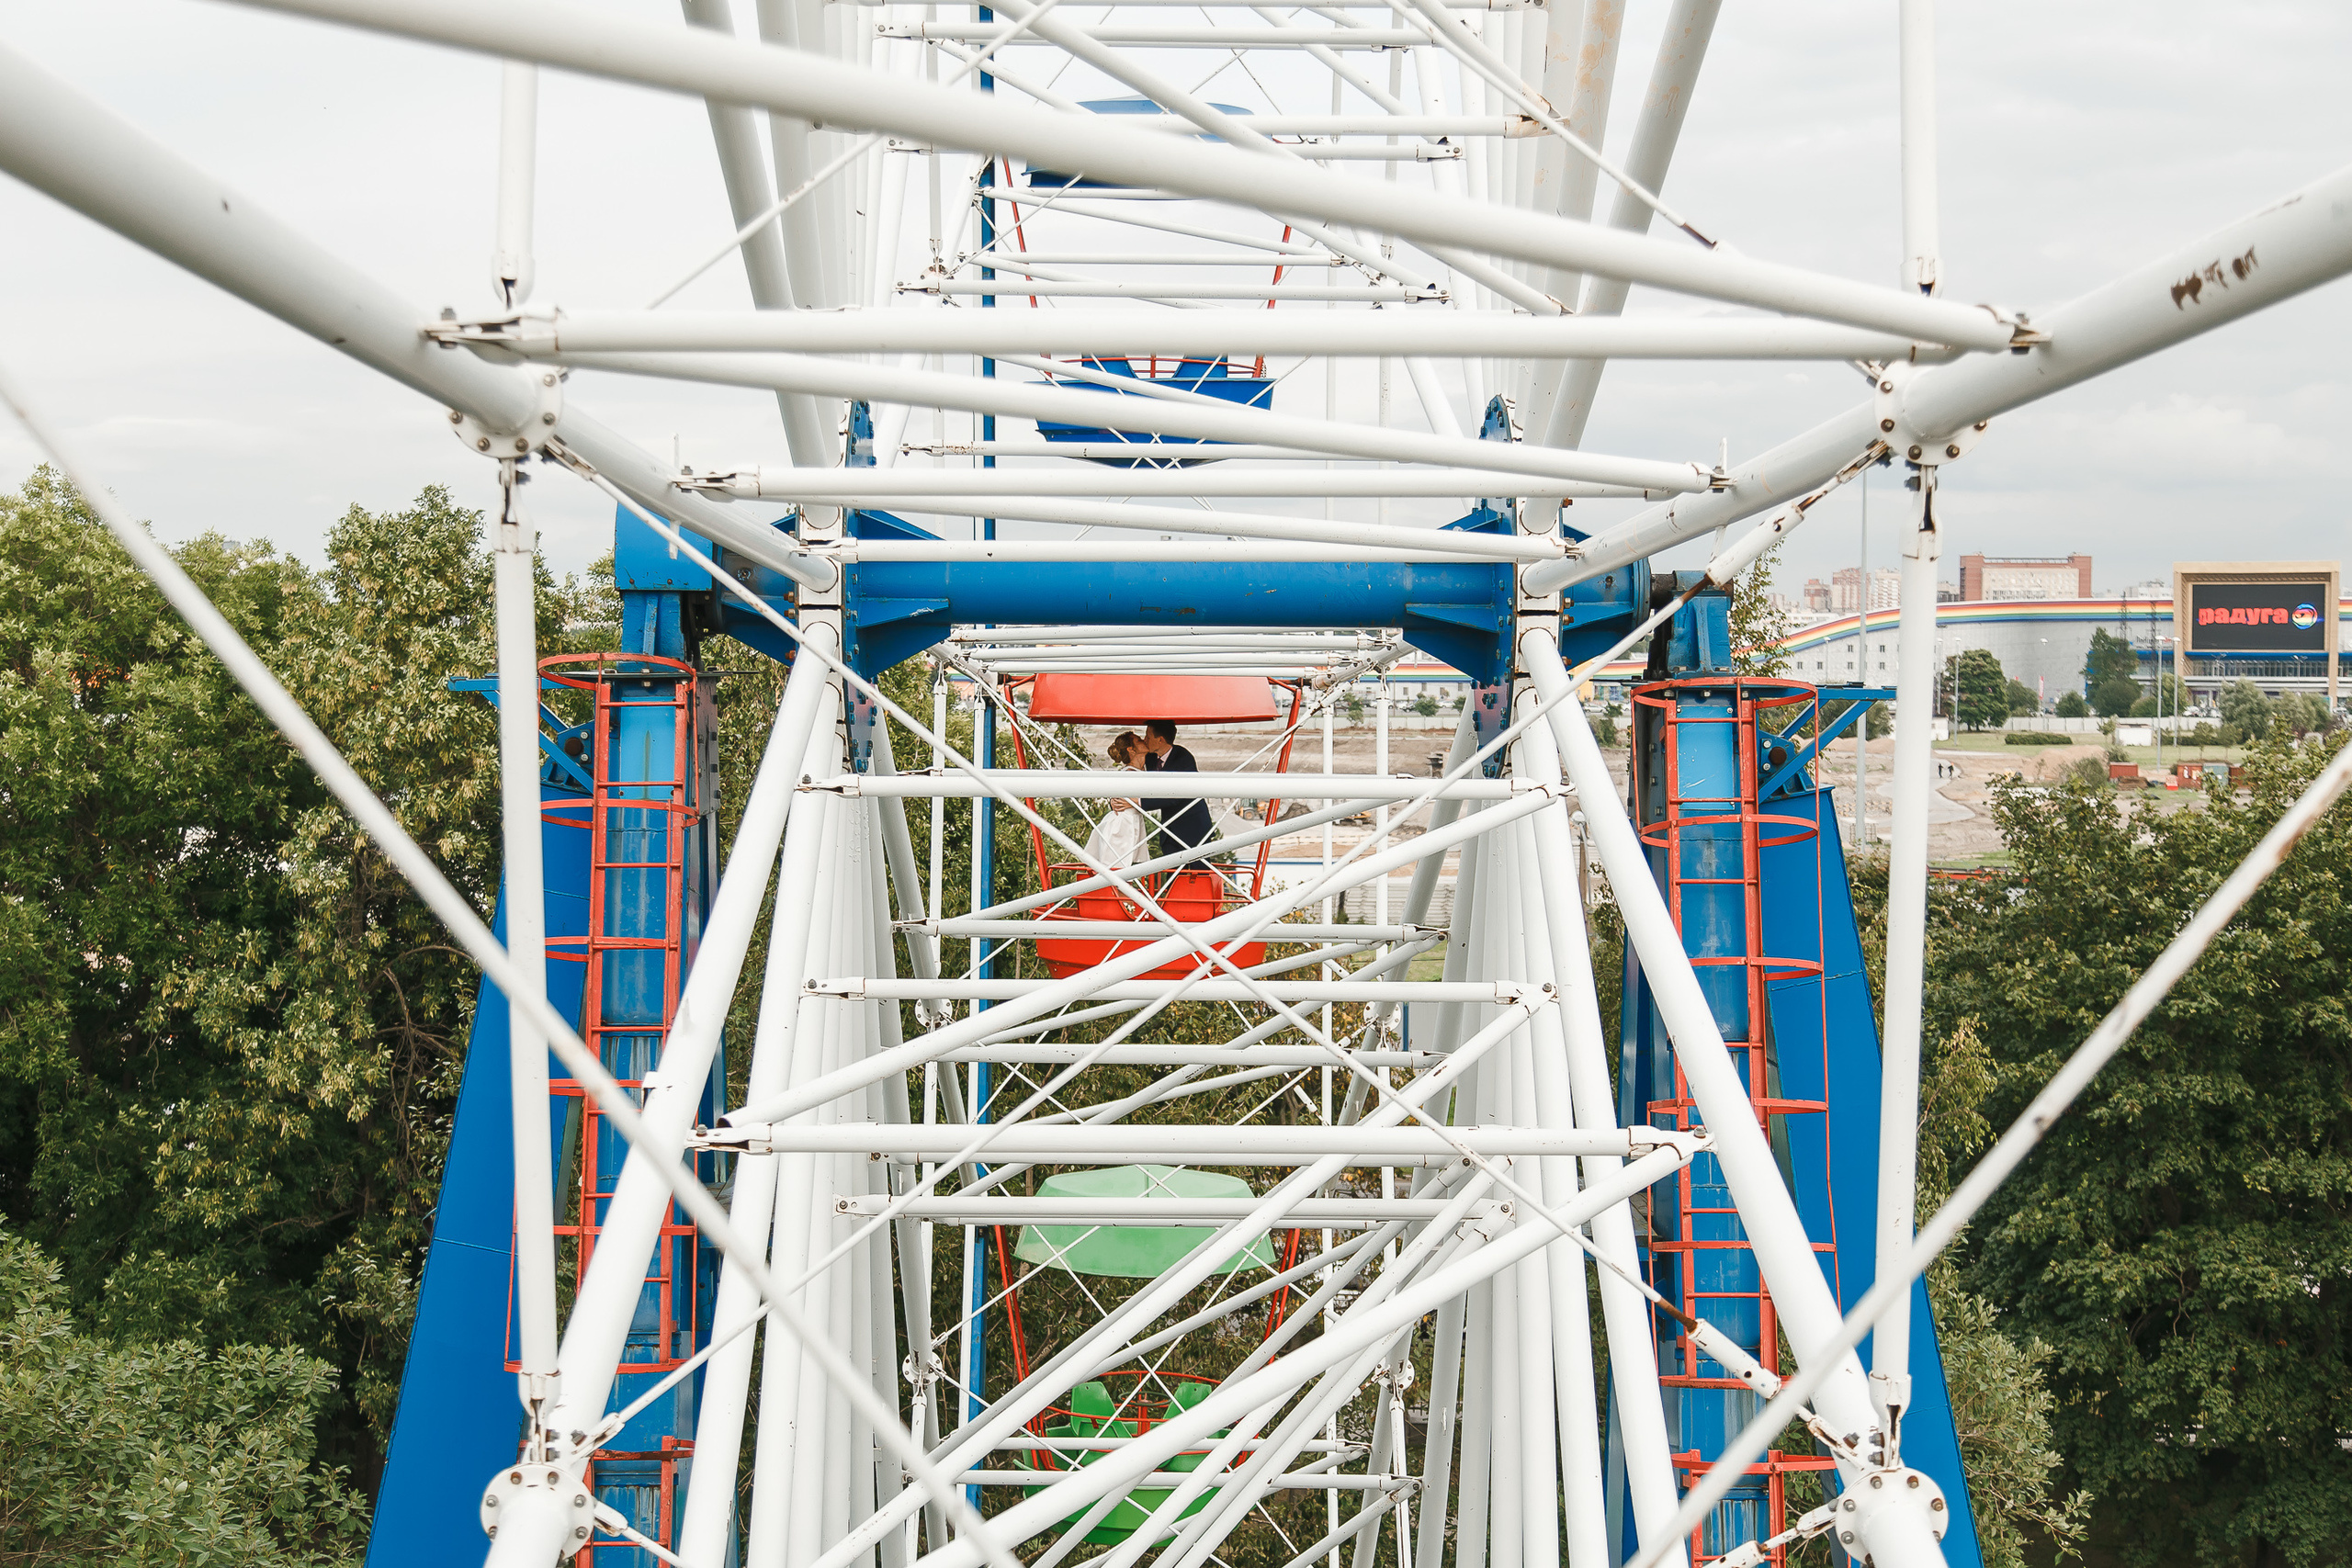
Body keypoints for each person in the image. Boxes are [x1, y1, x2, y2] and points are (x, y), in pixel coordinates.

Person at [1139, 719, 1214, 865]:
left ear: (1160, 740)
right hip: (1169, 831)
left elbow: (1174, 796)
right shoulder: (1150, 758)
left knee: (1198, 876)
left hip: (1194, 829)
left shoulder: (1183, 758)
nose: (1144, 740)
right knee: (1172, 878)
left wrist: (1138, 802)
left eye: (1148, 737)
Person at [1082, 732, 1150, 867]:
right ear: (1131, 750)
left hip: (1131, 822)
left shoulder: (1138, 770)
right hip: (1122, 826)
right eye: (1138, 740)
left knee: (1123, 870)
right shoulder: (1129, 774)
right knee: (1118, 869)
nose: (1143, 740)